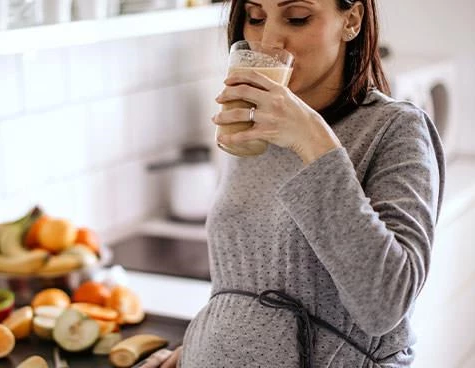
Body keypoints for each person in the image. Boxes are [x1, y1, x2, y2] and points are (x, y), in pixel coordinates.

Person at [141, 0, 445, 367]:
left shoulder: (395, 130)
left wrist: (314, 143)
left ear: (351, 20)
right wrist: (204, 344)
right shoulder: (252, 128)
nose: (268, 41)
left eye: (297, 18)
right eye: (255, 18)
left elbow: (384, 304)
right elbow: (245, 283)